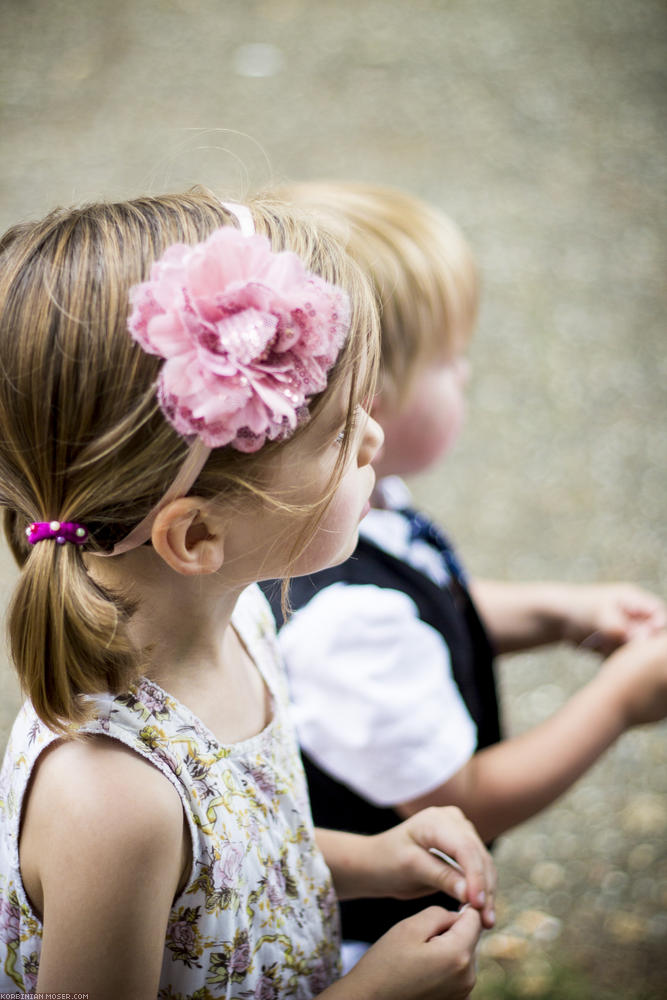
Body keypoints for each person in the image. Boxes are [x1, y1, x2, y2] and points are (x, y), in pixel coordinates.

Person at [0, 190, 498, 998]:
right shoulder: (112, 802)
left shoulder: (239, 619)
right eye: (339, 431)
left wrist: (375, 860)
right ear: (196, 537)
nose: (372, 436)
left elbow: (229, 873)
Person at [262, 181, 667, 961]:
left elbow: (424, 605)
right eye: (450, 360)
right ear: (367, 409)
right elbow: (462, 800)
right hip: (370, 947)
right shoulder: (339, 618)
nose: (468, 375)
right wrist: (618, 702)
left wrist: (559, 614)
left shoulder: (355, 505)